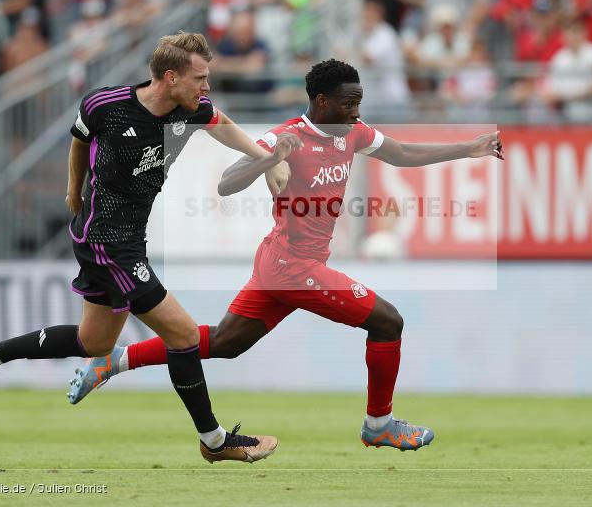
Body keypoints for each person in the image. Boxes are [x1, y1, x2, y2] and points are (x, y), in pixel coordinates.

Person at [67, 59, 504, 451]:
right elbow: (227, 182)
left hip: (282, 263)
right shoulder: (288, 136)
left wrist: (469, 149)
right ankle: (379, 424)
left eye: (359, 102)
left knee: (224, 342)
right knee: (388, 321)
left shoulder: (352, 133)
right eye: (349, 102)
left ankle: (115, 360)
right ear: (321, 101)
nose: (356, 110)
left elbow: (403, 153)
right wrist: (269, 158)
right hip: (293, 267)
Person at [0, 32, 285, 464]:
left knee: (93, 342)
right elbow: (79, 139)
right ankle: (214, 439)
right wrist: (74, 188)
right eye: (200, 78)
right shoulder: (105, 105)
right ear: (170, 78)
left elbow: (222, 125)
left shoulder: (192, 109)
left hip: (128, 239)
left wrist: (269, 157)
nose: (206, 87)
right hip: (104, 240)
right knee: (183, 335)